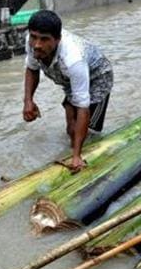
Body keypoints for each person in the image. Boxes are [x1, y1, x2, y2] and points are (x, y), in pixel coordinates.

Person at [23, 10, 114, 172]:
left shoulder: (73, 60)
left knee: (90, 132)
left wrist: (77, 156)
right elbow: (32, 68)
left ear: (57, 40)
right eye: (34, 37)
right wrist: (28, 101)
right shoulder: (32, 44)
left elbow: (83, 108)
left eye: (44, 39)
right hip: (69, 80)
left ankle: (81, 155)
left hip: (97, 77)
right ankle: (74, 146)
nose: (37, 44)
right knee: (70, 131)